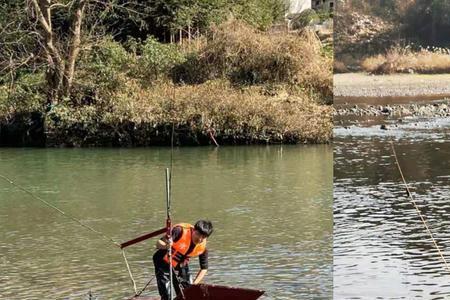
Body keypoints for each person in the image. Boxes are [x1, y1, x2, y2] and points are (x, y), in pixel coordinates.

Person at [153, 220, 213, 300]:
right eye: (198, 234)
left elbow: (204, 268)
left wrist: (195, 284)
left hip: (181, 265)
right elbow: (158, 243)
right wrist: (167, 246)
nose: (199, 239)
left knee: (187, 293)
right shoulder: (179, 231)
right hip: (163, 261)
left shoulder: (203, 248)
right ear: (193, 230)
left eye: (203, 237)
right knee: (167, 295)